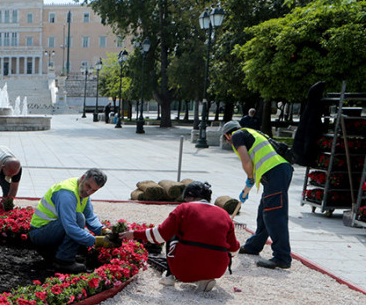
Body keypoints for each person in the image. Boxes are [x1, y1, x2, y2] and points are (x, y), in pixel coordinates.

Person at [120, 181, 240, 292]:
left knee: (173, 235)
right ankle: (204, 279)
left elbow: (160, 235)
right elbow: (234, 248)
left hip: (185, 269)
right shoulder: (224, 214)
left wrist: (134, 234)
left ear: (189, 197)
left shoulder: (184, 208)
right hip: (217, 268)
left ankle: (169, 276)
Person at [221, 120, 294, 269]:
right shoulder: (251, 132)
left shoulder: (236, 136)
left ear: (227, 135)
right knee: (264, 211)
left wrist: (249, 178)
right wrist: (246, 189)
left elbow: (246, 161)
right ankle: (253, 246)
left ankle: (282, 257)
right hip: (278, 170)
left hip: (274, 172)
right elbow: (256, 161)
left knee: (274, 214)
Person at [28, 168, 112, 273]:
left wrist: (103, 230)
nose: (88, 192)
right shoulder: (67, 193)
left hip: (52, 230)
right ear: (82, 178)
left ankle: (58, 254)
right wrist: (97, 241)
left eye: (94, 190)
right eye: (88, 186)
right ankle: (63, 261)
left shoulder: (82, 190)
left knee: (83, 231)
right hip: (39, 234)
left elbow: (90, 217)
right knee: (79, 220)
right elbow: (70, 227)